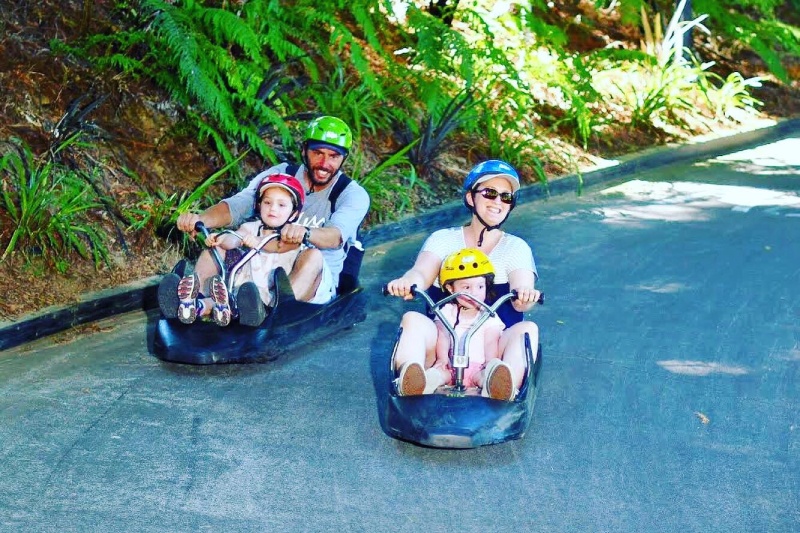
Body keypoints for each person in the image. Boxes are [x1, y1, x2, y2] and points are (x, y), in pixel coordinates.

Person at [158, 115, 370, 326]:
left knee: (313, 255)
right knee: (218, 247)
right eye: (318, 153)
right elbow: (240, 204)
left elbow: (336, 236)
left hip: (314, 281)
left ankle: (272, 316)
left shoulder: (352, 194)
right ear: (304, 150)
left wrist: (305, 232)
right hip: (265, 263)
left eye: (333, 156)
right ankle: (195, 304)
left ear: (343, 158)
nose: (324, 163)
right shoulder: (281, 175)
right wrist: (200, 220)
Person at [385, 159, 542, 401]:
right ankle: (413, 381)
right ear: (471, 198)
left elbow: (523, 288)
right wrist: (407, 282)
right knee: (412, 319)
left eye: (506, 197)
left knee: (527, 329)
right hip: (442, 345)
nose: (497, 202)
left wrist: (525, 294)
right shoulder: (443, 240)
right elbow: (421, 273)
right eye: (490, 193)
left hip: (493, 347)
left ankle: (501, 385)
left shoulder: (515, 247)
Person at [182, 173, 306, 327]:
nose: (273, 208)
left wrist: (258, 241)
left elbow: (280, 246)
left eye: (281, 205)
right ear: (259, 205)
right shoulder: (251, 228)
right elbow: (235, 238)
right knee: (221, 298)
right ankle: (193, 306)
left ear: (294, 213)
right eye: (267, 202)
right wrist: (220, 238)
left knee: (241, 301)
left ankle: (234, 311)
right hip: (240, 291)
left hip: (266, 299)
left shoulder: (290, 235)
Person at [413, 248, 511, 398]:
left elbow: (491, 342)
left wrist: (490, 362)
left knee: (485, 376)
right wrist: (442, 359)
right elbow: (443, 334)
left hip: (478, 368)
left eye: (480, 286)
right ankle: (418, 385)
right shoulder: (447, 311)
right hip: (450, 367)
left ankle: (495, 386)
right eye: (466, 288)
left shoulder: (488, 315)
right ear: (451, 288)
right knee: (438, 374)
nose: (474, 293)